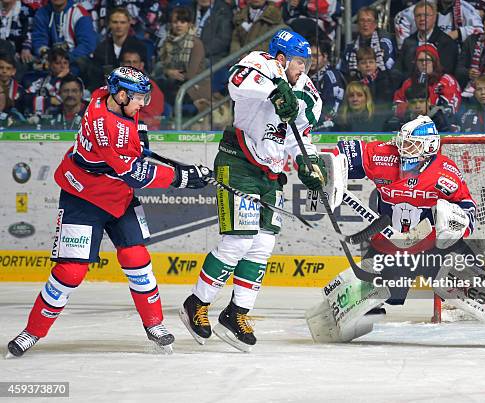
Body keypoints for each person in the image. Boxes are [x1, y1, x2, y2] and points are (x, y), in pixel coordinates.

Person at [6, 66, 209, 358]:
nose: (143, 104)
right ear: (122, 94)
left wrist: (140, 137)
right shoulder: (107, 127)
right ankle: (32, 331)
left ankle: (154, 324)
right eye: (139, 98)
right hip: (83, 198)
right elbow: (136, 175)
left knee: (136, 258)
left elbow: (134, 145)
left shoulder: (106, 96)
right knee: (70, 272)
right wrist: (184, 177)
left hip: (118, 197)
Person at [179, 29, 324, 352]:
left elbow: (301, 136)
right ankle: (197, 303)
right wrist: (275, 91)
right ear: (283, 59)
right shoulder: (261, 63)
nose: (304, 69)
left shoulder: (308, 90)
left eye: (307, 63)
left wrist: (308, 163)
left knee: (262, 244)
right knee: (238, 240)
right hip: (239, 163)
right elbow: (236, 84)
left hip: (271, 174)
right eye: (300, 62)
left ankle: (236, 313)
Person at [310, 115, 476, 341]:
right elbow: (345, 152)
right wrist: (324, 170)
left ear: (429, 147)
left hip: (430, 246)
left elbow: (468, 207)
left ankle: (477, 298)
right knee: (386, 294)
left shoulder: (445, 173)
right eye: (402, 141)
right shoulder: (384, 155)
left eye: (411, 144)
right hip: (392, 247)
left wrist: (459, 224)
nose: (403, 148)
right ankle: (360, 311)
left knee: (467, 266)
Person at [397, 0, 458, 76]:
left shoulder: (447, 42)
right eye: (418, 15)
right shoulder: (408, 42)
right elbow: (399, 69)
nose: (422, 18)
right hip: (410, 84)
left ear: (435, 17)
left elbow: (446, 72)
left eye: (426, 15)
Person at [339, 6, 396, 80]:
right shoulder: (350, 48)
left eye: (369, 21)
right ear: (358, 24)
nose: (365, 24)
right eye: (362, 20)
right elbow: (343, 71)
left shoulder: (385, 43)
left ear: (375, 24)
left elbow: (391, 67)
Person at [308, 38, 345, 131]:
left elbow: (333, 111)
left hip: (328, 130)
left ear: (325, 57)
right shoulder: (305, 75)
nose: (311, 59)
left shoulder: (331, 76)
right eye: (309, 56)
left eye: (315, 56)